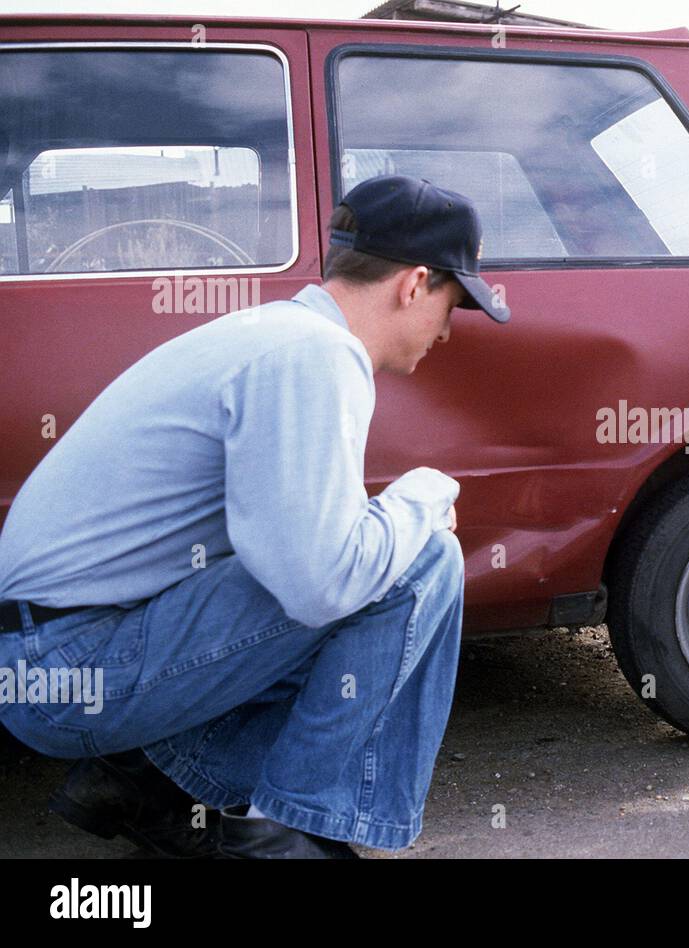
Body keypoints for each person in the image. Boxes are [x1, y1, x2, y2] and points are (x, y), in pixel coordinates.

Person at [0, 175, 510, 857]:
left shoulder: (275, 335)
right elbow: (320, 585)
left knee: (355, 556)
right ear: (414, 283)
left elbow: (298, 558)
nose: (449, 330)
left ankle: (148, 779)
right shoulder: (314, 355)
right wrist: (424, 496)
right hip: (63, 670)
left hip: (50, 661)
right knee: (418, 561)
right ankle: (287, 833)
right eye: (453, 303)